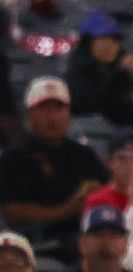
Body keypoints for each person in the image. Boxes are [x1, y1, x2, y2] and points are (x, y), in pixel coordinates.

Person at [0, 78, 109, 255]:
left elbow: (107, 189)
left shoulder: (84, 154)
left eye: (58, 109)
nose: (52, 117)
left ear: (68, 113)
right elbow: (12, 213)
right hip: (35, 244)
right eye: (44, 109)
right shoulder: (14, 157)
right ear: (30, 114)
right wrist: (65, 210)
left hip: (83, 241)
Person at [65, 11, 133, 126]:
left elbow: (132, 94)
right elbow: (90, 104)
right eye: (104, 40)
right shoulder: (78, 71)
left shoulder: (119, 68)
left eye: (115, 41)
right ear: (88, 43)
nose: (110, 46)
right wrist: (120, 75)